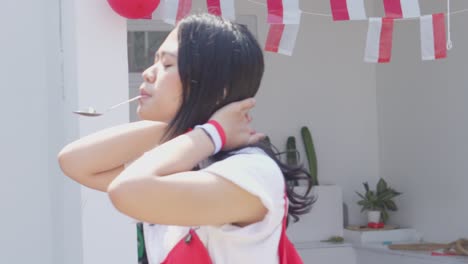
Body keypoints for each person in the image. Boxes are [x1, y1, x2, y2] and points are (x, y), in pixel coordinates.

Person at [58, 13, 314, 264]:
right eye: (154, 61)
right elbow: (75, 161)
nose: (148, 73)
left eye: (167, 65)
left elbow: (125, 191)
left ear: (214, 88)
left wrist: (209, 131)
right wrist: (187, 126)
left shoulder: (251, 170)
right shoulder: (187, 160)